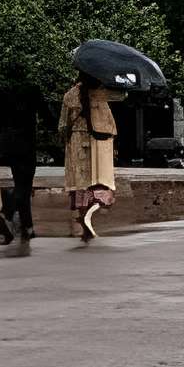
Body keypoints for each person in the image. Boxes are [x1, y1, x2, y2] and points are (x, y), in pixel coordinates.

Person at [61, 72, 122, 243]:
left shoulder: (70, 95)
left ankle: (83, 217)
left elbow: (62, 124)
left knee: (81, 182)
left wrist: (66, 138)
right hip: (97, 144)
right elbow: (111, 119)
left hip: (76, 143)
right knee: (98, 179)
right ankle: (89, 214)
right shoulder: (100, 95)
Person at [0, 84, 39, 251]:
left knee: (18, 183)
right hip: (26, 141)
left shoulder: (0, 92)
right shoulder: (32, 90)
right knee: (24, 186)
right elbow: (46, 113)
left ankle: (27, 226)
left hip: (7, 143)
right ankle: (7, 213)